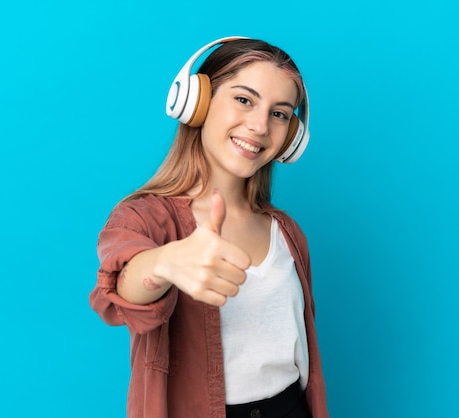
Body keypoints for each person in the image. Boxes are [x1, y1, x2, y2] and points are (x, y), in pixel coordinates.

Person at [89, 36, 329, 418]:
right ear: (196, 103)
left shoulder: (288, 233)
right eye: (244, 99)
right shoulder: (143, 219)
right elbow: (121, 292)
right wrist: (164, 262)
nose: (260, 125)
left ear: (291, 137)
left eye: (280, 113)